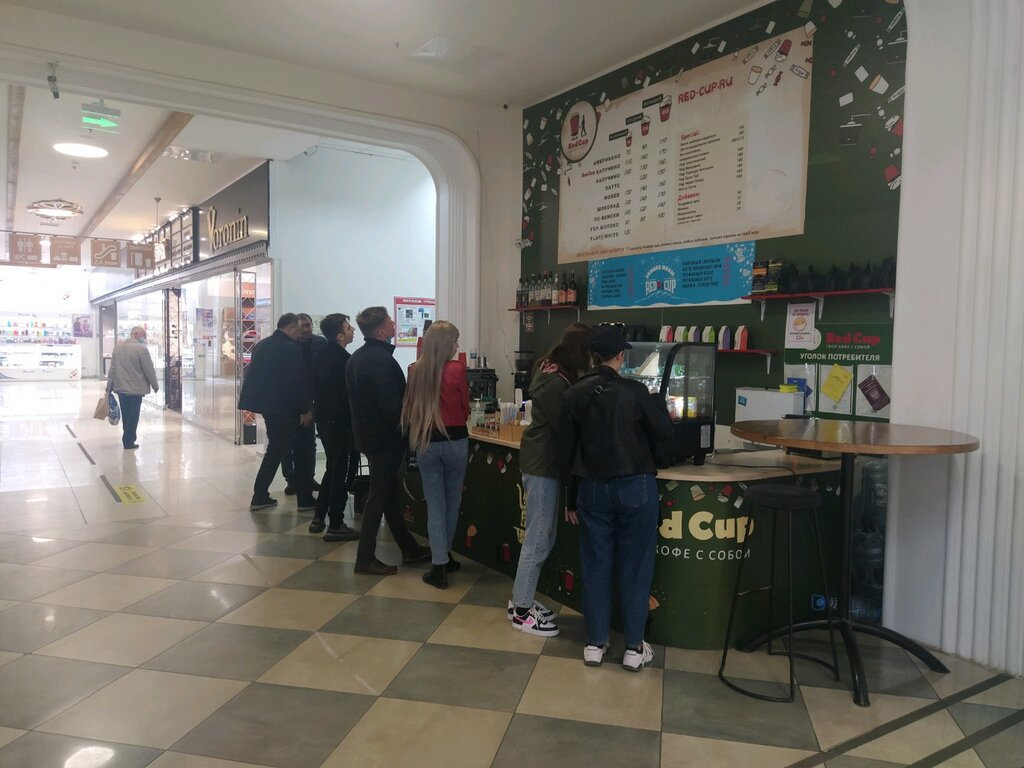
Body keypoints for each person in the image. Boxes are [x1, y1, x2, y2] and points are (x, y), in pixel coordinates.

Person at [562, 324, 673, 671]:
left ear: (592, 356)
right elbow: (665, 435)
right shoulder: (636, 391)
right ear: (621, 355)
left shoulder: (574, 394)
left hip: (591, 488)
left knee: (596, 566)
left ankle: (595, 644)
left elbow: (568, 451)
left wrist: (570, 499)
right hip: (635, 485)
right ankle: (634, 648)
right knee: (635, 568)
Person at [508, 322, 592, 635]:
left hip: (538, 458)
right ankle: (521, 610)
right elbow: (566, 428)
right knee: (538, 539)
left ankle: (522, 598)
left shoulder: (548, 367)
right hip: (544, 463)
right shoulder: (558, 384)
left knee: (541, 537)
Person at [346, 306, 431, 575]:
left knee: (389, 492)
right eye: (390, 321)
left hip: (370, 436)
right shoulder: (379, 361)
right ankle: (364, 558)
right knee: (379, 496)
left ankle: (408, 547)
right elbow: (391, 406)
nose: (395, 324)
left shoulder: (358, 357)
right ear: (382, 330)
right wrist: (410, 425)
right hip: (384, 439)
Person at [401, 321, 470, 589]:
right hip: (456, 441)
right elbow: (464, 407)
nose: (457, 345)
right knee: (453, 501)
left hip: (426, 440)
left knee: (435, 505)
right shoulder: (457, 370)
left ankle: (439, 563)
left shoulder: (414, 370)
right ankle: (445, 555)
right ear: (446, 344)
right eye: (455, 340)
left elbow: (409, 408)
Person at [238, 313, 313, 512]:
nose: (300, 333)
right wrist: (305, 409)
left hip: (269, 407)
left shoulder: (263, 345)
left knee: (276, 449)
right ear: (290, 328)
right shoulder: (290, 348)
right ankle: (263, 495)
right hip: (285, 408)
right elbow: (296, 382)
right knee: (291, 450)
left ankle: (261, 494)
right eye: (298, 329)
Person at [309, 313, 359, 542]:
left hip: (326, 420)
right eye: (349, 328)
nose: (353, 331)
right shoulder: (343, 360)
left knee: (333, 467)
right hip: (339, 422)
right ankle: (336, 523)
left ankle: (319, 516)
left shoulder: (321, 356)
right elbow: (346, 396)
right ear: (340, 335)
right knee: (339, 471)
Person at [281, 312, 326, 511]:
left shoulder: (320, 343)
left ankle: (307, 480)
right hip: (293, 402)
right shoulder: (289, 347)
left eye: (309, 325)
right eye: (303, 326)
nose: (307, 329)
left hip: (313, 398)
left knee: (309, 445)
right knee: (290, 446)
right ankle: (293, 480)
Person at [105, 326, 159, 450]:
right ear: (135, 334)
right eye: (143, 336)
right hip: (136, 389)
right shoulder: (141, 349)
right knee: (133, 415)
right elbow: (148, 369)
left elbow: (112, 369)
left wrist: (109, 386)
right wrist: (155, 385)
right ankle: (129, 441)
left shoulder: (118, 348)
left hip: (121, 388)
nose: (144, 339)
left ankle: (127, 439)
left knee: (126, 414)